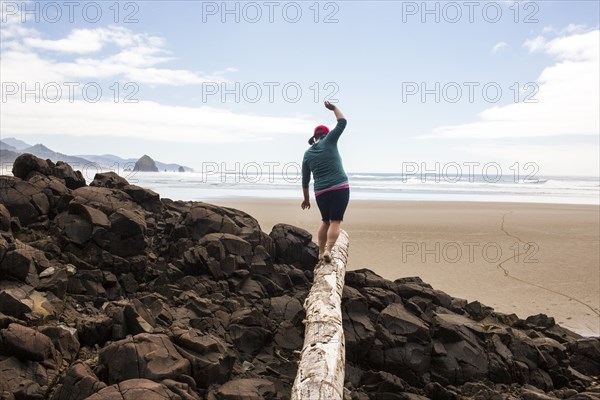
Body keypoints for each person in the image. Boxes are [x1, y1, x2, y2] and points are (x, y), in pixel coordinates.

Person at [301, 101, 349, 263]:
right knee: (335, 221)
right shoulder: (329, 141)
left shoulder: (307, 154)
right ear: (326, 135)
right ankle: (329, 250)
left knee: (325, 221)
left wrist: (306, 199)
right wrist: (334, 108)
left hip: (320, 192)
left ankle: (321, 252)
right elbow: (342, 122)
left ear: (314, 137)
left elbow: (305, 180)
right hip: (339, 187)